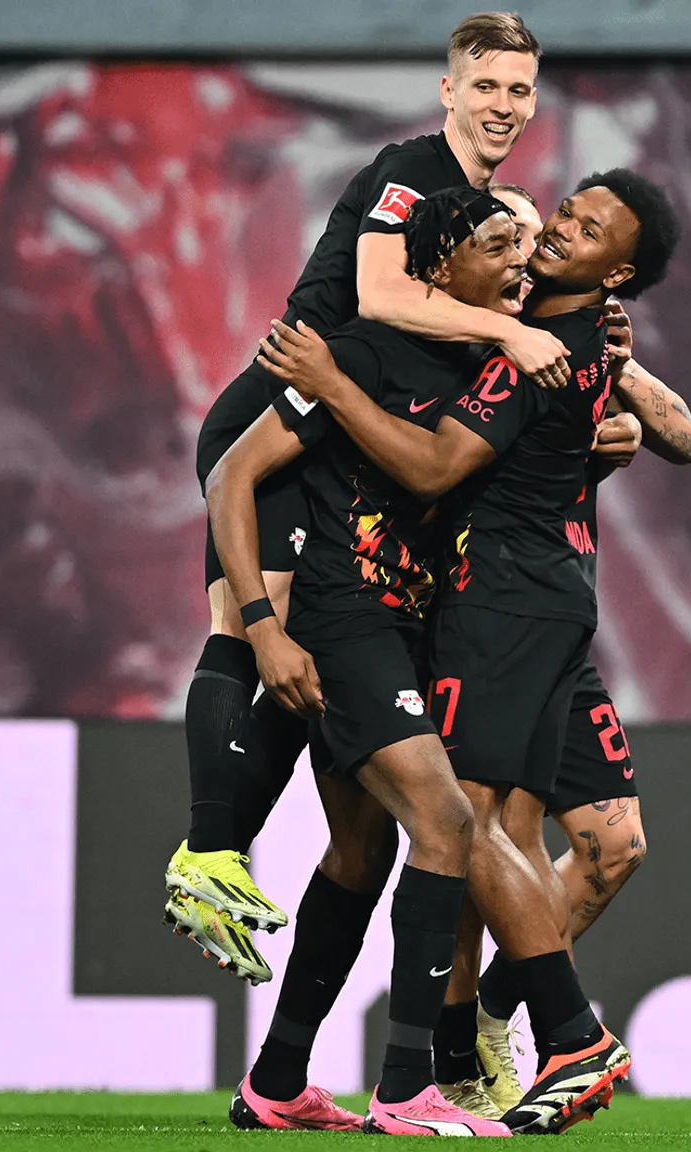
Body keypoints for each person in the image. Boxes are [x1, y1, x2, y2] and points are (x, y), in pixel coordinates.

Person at [257, 168, 681, 1134]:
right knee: (496, 827)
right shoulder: (542, 331)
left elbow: (436, 464)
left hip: (501, 601)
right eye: (568, 211)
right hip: (548, 598)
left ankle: (563, 1037)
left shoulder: (540, 349)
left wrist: (328, 384)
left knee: (463, 825)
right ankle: (463, 1051)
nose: (560, 228)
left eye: (588, 229)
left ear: (618, 272)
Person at [165, 10, 569, 985]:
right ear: (448, 91)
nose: (502, 107)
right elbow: (381, 294)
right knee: (247, 625)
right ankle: (206, 852)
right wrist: (507, 335)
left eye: (518, 90)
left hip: (325, 430)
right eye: (485, 87)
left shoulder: (477, 199)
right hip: (282, 412)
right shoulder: (411, 172)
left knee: (290, 643)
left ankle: (214, 857)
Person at [212, 187, 530, 1136]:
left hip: (415, 632)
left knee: (362, 849)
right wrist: (262, 626)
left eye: (525, 244)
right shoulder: (362, 354)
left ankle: (275, 1081)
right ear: (438, 268)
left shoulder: (490, 367)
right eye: (498, 243)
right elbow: (233, 474)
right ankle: (405, 1088)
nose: (519, 260)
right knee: (444, 822)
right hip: (348, 623)